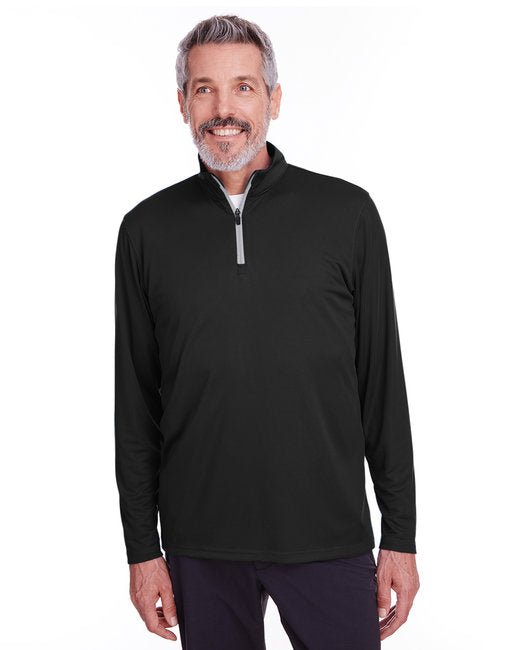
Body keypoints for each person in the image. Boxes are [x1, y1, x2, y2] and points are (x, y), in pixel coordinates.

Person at [114, 13, 420, 649]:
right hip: (200, 545)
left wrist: (401, 533)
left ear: (273, 99)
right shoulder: (146, 231)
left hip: (328, 535)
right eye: (204, 89)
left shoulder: (347, 214)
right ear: (182, 103)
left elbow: (382, 385)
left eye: (244, 87)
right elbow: (135, 405)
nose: (223, 109)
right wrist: (143, 550)